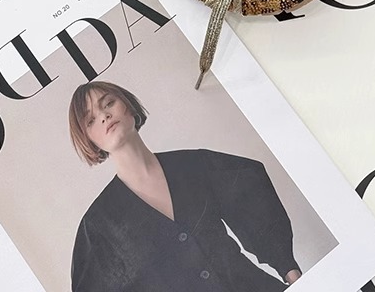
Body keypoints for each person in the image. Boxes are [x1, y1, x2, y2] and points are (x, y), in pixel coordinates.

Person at [68, 80, 303, 291]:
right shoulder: (98, 225)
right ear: (89, 140)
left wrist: (291, 271)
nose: (104, 116)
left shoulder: (194, 165)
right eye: (91, 120)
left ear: (128, 106)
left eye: (109, 103)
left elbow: (250, 199)